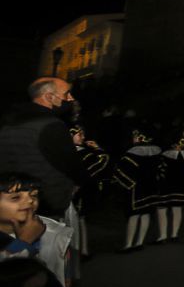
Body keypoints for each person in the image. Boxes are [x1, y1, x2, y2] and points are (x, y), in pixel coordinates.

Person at [0, 78, 79, 217]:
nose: (71, 98)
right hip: (44, 203)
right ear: (49, 96)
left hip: (10, 201)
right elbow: (71, 165)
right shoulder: (52, 125)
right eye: (67, 94)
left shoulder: (8, 122)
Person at [112, 130, 165, 252]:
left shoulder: (131, 153)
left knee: (134, 215)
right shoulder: (157, 152)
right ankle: (139, 242)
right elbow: (161, 170)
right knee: (146, 212)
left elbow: (120, 172)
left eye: (135, 136)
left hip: (136, 188)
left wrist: (128, 184)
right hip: (151, 187)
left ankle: (129, 244)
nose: (133, 138)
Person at [70, 125, 110, 259]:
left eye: (83, 134)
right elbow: (103, 160)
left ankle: (83, 250)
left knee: (80, 220)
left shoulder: (84, 153)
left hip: (79, 191)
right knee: (74, 220)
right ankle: (77, 251)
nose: (83, 137)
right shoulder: (74, 153)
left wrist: (97, 148)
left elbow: (102, 162)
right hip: (70, 190)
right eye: (79, 134)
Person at [157, 131, 184, 243]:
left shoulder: (164, 156)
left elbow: (160, 172)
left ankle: (162, 236)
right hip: (182, 187)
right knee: (177, 209)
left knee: (162, 209)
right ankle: (174, 235)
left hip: (165, 187)